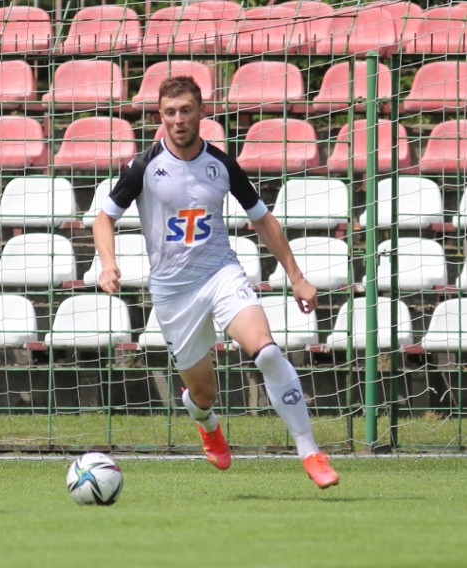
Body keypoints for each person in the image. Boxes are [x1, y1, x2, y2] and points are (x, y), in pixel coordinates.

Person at [92, 76, 339, 489]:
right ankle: (207, 423)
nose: (179, 120)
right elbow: (105, 218)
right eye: (170, 113)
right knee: (204, 395)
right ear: (160, 116)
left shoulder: (221, 164)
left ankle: (310, 450)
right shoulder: (143, 166)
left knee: (267, 353)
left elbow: (262, 219)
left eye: (186, 110)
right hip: (173, 293)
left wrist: (296, 277)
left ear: (202, 111)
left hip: (221, 273)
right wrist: (108, 264)